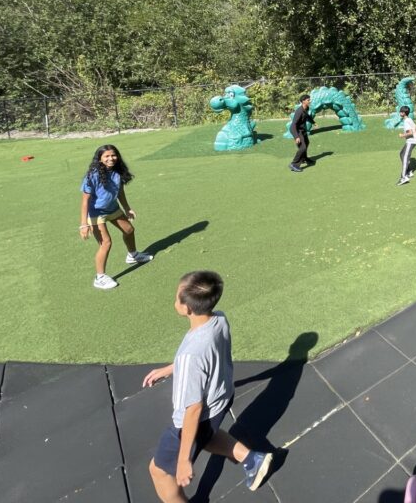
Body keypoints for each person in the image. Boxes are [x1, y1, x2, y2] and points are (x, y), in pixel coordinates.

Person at [143, 271, 273, 501]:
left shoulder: (190, 356)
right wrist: (171, 368)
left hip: (194, 419)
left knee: (159, 472)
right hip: (221, 400)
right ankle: (253, 459)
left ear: (186, 308)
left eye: (176, 298)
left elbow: (193, 409)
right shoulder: (219, 319)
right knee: (206, 436)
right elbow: (206, 358)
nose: (174, 301)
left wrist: (184, 460)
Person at [80, 144, 151, 290]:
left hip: (113, 208)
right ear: (99, 158)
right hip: (96, 214)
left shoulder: (118, 172)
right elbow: (85, 200)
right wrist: (83, 224)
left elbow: (120, 192)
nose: (111, 158)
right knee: (106, 243)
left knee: (129, 230)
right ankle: (100, 277)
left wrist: (127, 208)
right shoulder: (92, 175)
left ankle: (132, 255)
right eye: (106, 156)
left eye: (113, 155)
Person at [288, 94, 316, 172]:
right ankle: (294, 164)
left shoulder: (306, 108)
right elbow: (293, 125)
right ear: (303, 101)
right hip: (298, 131)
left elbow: (307, 116)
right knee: (303, 147)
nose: (310, 101)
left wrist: (313, 122)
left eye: (309, 99)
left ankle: (304, 158)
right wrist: (296, 136)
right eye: (308, 100)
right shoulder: (299, 111)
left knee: (306, 143)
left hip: (303, 130)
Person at [397, 105, 416, 185]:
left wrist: (402, 135)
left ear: (404, 113)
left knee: (405, 158)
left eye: (401, 112)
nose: (400, 112)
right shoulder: (409, 119)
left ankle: (403, 178)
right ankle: (409, 171)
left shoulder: (406, 121)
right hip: (412, 141)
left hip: (411, 141)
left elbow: (410, 133)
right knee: (402, 154)